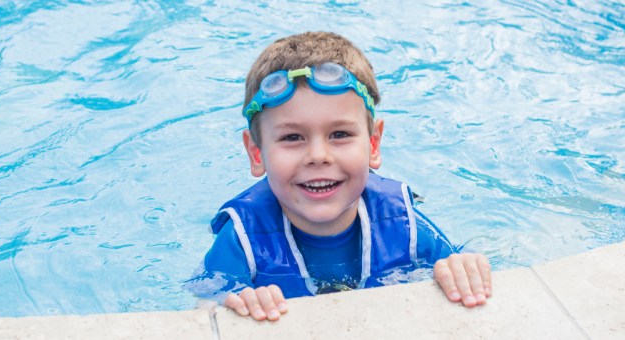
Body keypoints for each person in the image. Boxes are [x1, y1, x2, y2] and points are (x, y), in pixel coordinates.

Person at [198, 31, 491, 321]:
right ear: (257, 153)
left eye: (339, 134)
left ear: (373, 144)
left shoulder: (402, 223)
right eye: (292, 137)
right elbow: (205, 306)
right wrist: (234, 302)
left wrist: (461, 267)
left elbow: (456, 261)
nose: (318, 155)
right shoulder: (243, 239)